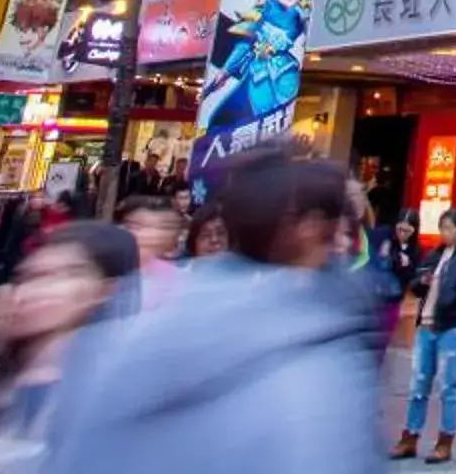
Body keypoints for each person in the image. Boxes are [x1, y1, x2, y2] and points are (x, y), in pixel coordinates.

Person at [37, 146, 383, 474]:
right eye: (334, 225)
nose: (341, 239)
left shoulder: (126, 326)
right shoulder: (315, 365)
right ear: (310, 229)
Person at [0, 224, 138, 474]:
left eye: (66, 275)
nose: (34, 291)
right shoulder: (13, 361)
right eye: (30, 277)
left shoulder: (115, 387)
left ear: (104, 290)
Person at [393, 207, 456, 462]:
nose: (445, 233)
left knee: (449, 386)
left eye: (449, 228)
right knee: (418, 384)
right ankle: (410, 436)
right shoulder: (433, 254)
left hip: (452, 327)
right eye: (442, 228)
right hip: (426, 325)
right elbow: (414, 284)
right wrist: (420, 283)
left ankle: (445, 441)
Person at [117, 195, 186, 311]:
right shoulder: (105, 271)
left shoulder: (180, 280)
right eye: (136, 226)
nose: (148, 234)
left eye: (162, 227)